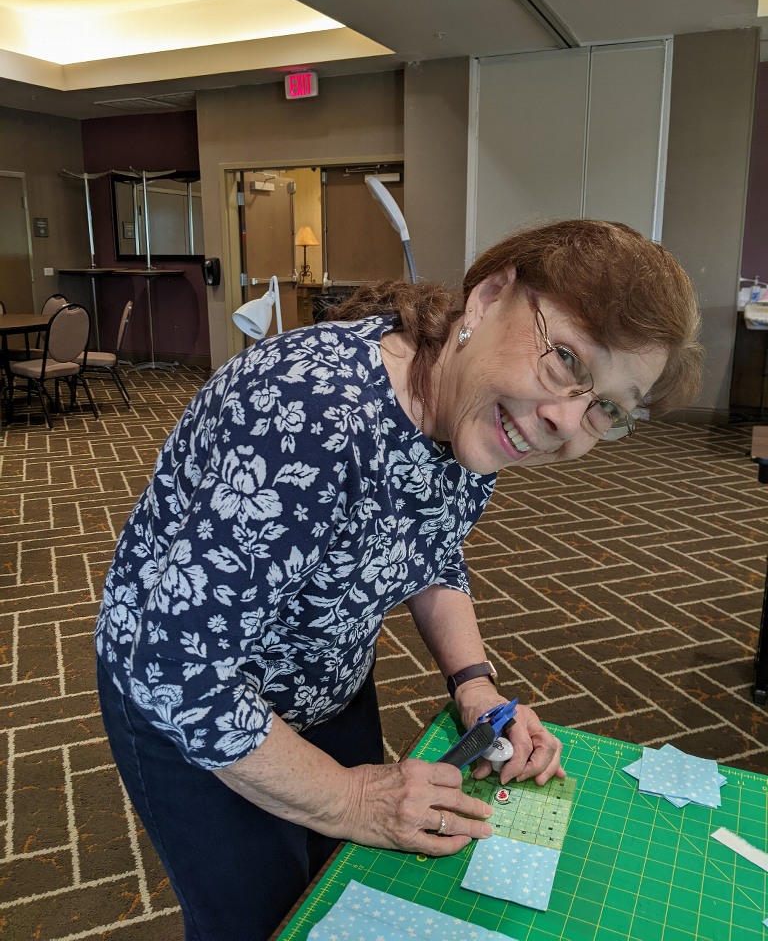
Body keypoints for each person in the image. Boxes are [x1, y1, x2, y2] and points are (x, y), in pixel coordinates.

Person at [95, 219, 702, 940]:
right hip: (191, 702)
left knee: (333, 886)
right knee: (258, 919)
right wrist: (349, 798)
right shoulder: (309, 410)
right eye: (566, 358)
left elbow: (430, 551)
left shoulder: (473, 412)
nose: (566, 422)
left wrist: (473, 684)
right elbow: (178, 667)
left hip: (326, 682)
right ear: (489, 297)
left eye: (607, 408)